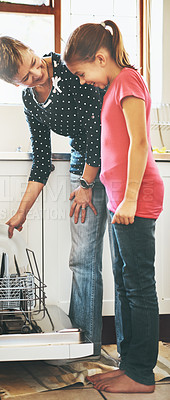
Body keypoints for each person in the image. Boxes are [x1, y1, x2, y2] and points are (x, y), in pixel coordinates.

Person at [0, 36, 122, 358]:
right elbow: (42, 160)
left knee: (123, 261)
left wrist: (88, 183)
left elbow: (95, 130)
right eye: (25, 77)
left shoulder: (71, 67)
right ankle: (86, 348)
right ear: (13, 83)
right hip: (82, 172)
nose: (37, 74)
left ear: (31, 49)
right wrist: (21, 213)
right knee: (83, 260)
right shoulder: (31, 100)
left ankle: (129, 353)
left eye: (34, 63)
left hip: (114, 164)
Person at [63, 20, 164, 393]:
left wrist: (131, 199)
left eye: (83, 72)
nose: (82, 80)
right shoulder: (115, 87)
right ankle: (130, 364)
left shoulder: (129, 81)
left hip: (135, 201)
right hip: (122, 201)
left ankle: (141, 375)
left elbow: (140, 143)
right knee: (124, 284)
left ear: (101, 58)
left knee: (138, 286)